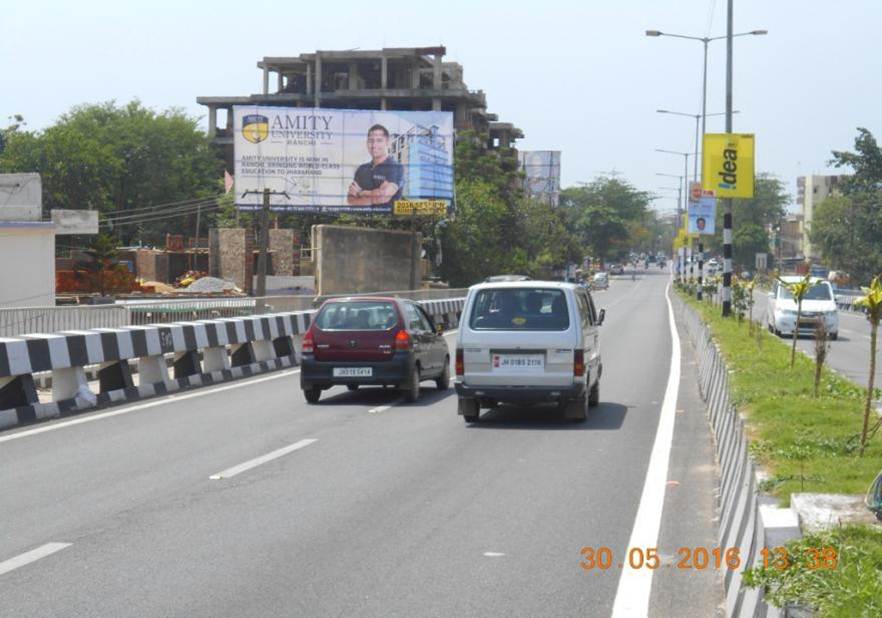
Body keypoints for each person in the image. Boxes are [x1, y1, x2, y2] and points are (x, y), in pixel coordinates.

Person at [347, 124, 404, 207]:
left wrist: (360, 193)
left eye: (379, 140)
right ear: (367, 143)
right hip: (361, 219)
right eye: (371, 141)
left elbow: (384, 196)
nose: (374, 145)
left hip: (387, 219)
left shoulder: (396, 168)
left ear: (387, 143)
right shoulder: (361, 169)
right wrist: (375, 195)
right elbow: (350, 200)